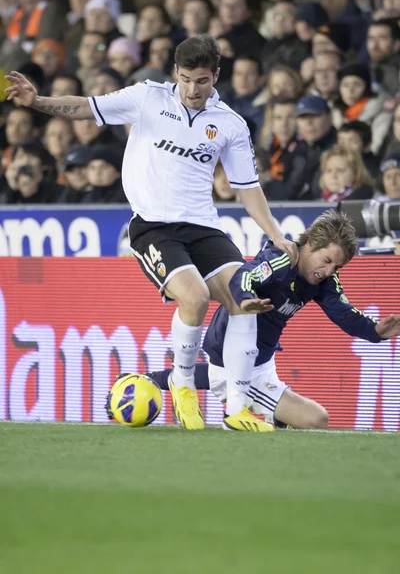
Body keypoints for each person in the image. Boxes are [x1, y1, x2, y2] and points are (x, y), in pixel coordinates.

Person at [6, 34, 296, 432]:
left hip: (204, 226)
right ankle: (181, 384)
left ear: (216, 76)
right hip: (154, 227)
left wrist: (275, 235)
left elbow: (247, 188)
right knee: (193, 297)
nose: (193, 90)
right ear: (175, 72)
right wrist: (37, 102)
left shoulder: (230, 124)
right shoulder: (147, 98)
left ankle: (237, 408)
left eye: (202, 81)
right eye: (186, 79)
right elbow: (86, 108)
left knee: (245, 298)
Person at [142, 210, 400, 431]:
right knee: (317, 419)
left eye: (337, 267)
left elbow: (343, 313)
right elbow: (243, 276)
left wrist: (375, 331)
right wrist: (243, 301)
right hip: (235, 358)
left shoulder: (323, 280)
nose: (329, 271)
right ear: (309, 244)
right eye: (327, 260)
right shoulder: (280, 259)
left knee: (221, 379)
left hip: (262, 363)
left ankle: (158, 379)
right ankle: (237, 408)